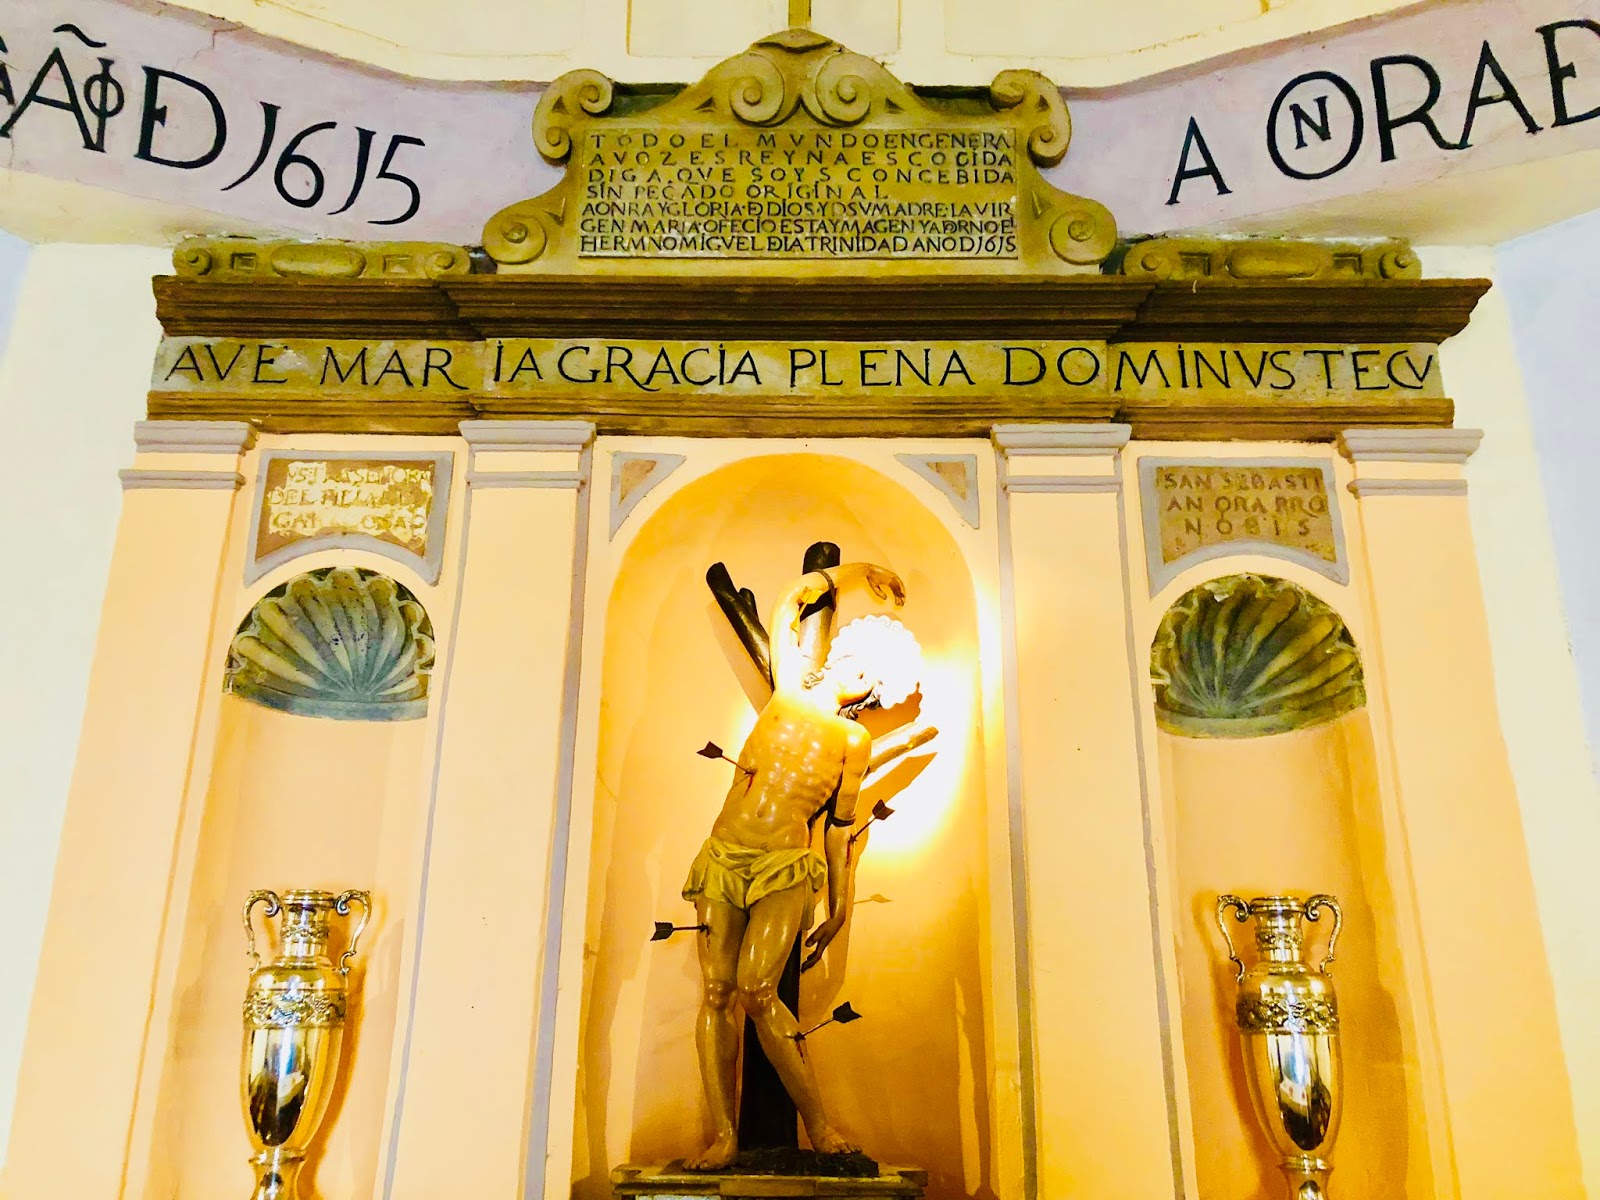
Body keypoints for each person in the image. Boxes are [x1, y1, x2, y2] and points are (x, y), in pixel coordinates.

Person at [681, 562, 913, 1170]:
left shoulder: (852, 741)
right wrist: (859, 572)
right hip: (724, 853)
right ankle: (724, 1136)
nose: (859, 675)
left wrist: (840, 906)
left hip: (785, 863)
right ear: (837, 658)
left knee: (758, 989)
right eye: (857, 662)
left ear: (869, 696)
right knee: (716, 990)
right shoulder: (788, 687)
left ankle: (820, 1125)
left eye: (872, 679)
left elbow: (837, 827)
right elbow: (792, 600)